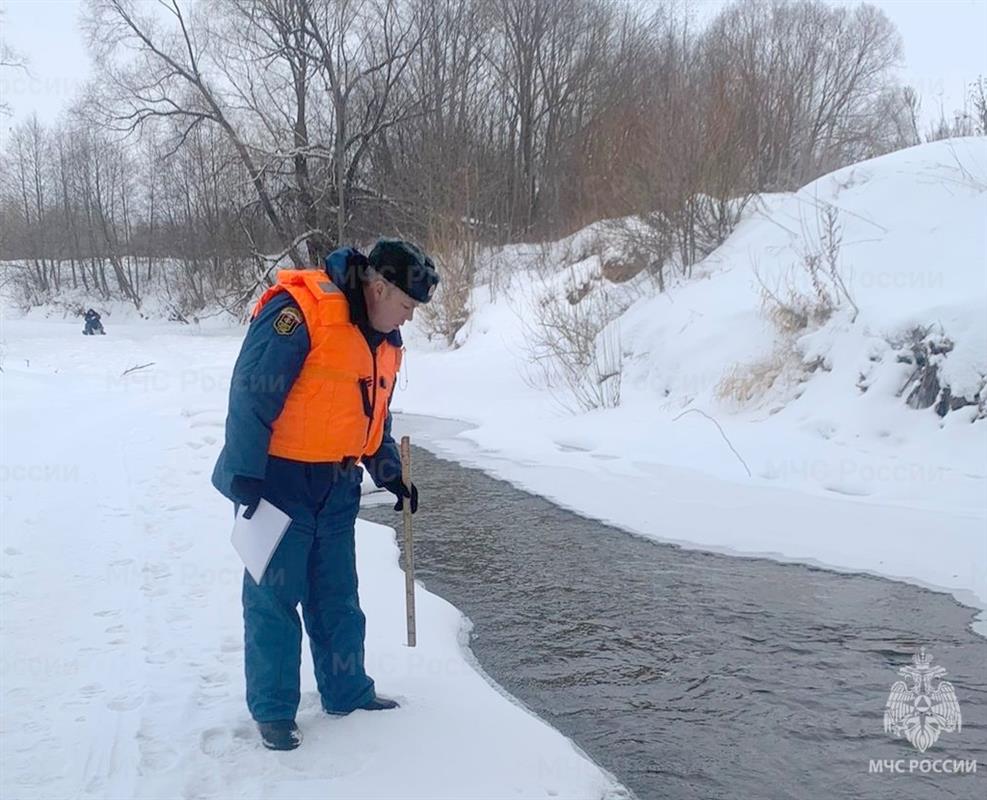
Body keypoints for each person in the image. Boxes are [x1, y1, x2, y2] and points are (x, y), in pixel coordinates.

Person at [211, 239, 439, 751]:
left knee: (337, 596)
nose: (408, 318)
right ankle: (273, 712)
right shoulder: (300, 313)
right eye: (405, 305)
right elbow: (250, 391)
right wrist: (245, 476)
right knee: (274, 600)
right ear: (379, 286)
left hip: (337, 485)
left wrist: (390, 473)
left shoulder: (385, 339)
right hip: (279, 481)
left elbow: (368, 416)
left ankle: (347, 690)